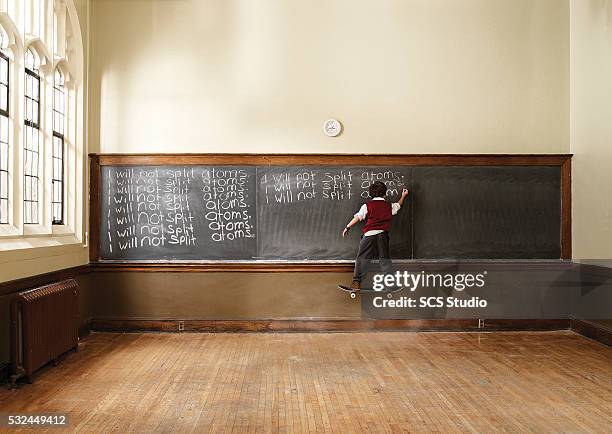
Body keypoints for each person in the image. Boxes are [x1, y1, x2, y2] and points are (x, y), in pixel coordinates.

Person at [342, 181, 409, 290]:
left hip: (369, 235)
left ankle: (356, 282)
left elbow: (358, 217)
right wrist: (403, 196)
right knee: (385, 260)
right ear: (385, 194)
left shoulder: (367, 206)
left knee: (362, 258)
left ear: (370, 194)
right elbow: (398, 205)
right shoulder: (388, 206)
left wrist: (347, 227)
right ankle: (390, 284)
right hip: (383, 235)